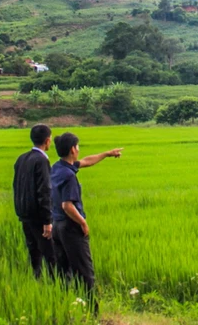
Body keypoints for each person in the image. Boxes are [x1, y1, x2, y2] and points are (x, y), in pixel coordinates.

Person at [51, 132, 123, 313]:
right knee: (84, 271)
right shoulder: (69, 176)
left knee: (63, 270)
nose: (79, 150)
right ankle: (93, 312)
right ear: (73, 149)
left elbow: (87, 161)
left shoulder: (57, 168)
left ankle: (64, 307)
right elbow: (67, 205)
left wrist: (107, 154)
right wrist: (82, 223)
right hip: (70, 227)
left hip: (56, 226)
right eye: (78, 146)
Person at [12, 124, 56, 279]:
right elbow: (44, 191)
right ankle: (54, 285)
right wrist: (47, 220)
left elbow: (16, 186)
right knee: (51, 255)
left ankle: (37, 281)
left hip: (25, 214)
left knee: (34, 254)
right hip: (38, 216)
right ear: (47, 140)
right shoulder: (42, 160)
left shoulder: (22, 159)